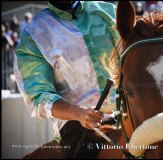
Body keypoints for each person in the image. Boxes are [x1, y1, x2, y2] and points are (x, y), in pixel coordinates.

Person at [14, 1, 118, 158]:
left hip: (129, 111)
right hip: (77, 126)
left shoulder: (110, 12)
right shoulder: (33, 34)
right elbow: (40, 98)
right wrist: (79, 113)